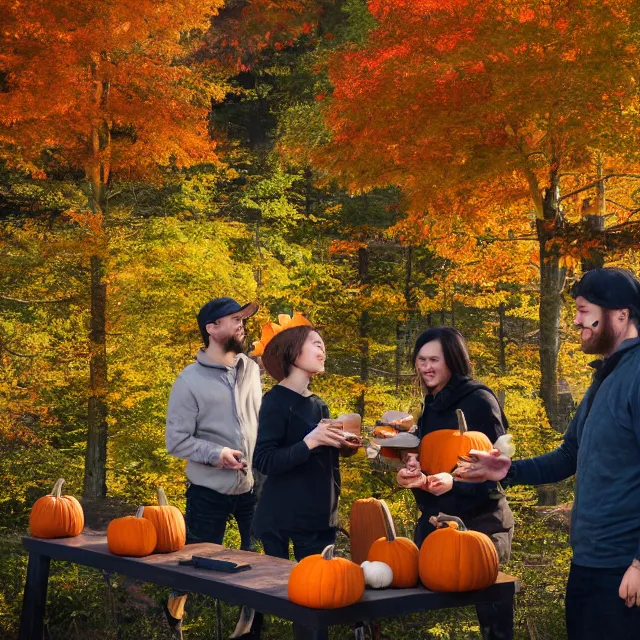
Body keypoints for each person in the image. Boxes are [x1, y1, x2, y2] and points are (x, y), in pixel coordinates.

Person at [454, 267, 640, 640]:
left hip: (623, 567)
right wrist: (504, 470)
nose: (575, 321)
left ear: (620, 313)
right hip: (588, 561)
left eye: (584, 310)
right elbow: (568, 455)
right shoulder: (605, 376)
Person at [396, 327, 514, 640]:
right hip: (439, 525)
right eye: (421, 360)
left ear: (453, 361)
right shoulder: (430, 406)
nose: (425, 367)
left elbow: (498, 473)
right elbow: (432, 461)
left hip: (483, 526)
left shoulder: (478, 400)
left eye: (434, 359)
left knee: (493, 621)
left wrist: (455, 482)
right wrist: (415, 473)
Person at [165, 296, 262, 639]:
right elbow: (175, 441)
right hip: (209, 492)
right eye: (234, 319)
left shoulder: (251, 370)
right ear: (211, 328)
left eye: (243, 319)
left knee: (259, 564)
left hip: (251, 488)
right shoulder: (188, 381)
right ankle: (175, 609)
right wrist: (216, 452)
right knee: (196, 566)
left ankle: (249, 628)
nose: (241, 325)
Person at [252, 321, 359, 562]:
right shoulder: (275, 401)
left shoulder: (318, 404)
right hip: (282, 519)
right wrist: (309, 442)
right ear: (293, 350)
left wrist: (343, 446)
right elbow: (264, 460)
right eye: (316, 344)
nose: (324, 351)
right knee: (281, 594)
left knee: (318, 593)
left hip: (319, 519)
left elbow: (322, 460)